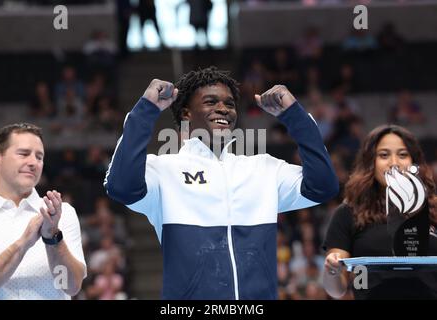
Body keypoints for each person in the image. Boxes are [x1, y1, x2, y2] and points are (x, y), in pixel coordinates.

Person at [104, 66, 338, 299]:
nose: (223, 109)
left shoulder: (264, 169)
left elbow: (322, 186)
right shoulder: (163, 170)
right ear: (186, 113)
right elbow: (121, 187)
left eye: (229, 104)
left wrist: (294, 115)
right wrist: (146, 109)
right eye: (210, 101)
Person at [323, 124, 437, 299]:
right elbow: (336, 290)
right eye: (384, 155)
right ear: (371, 162)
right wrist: (332, 272)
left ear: (414, 162)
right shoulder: (348, 212)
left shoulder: (434, 208)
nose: (394, 163)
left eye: (403, 155)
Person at [0, 123, 86, 299]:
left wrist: (53, 238)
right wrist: (23, 243)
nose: (33, 162)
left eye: (39, 157)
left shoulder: (63, 214)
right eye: (24, 154)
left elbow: (70, 286)